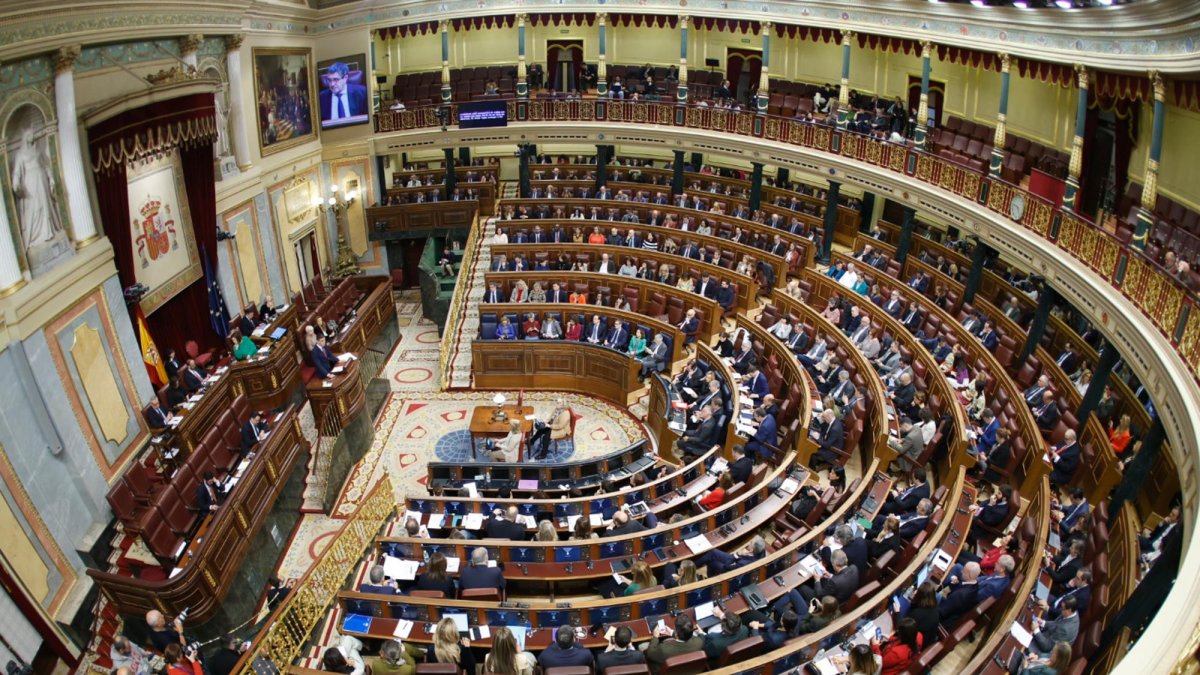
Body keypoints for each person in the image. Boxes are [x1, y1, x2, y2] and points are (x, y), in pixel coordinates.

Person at [906, 581, 941, 646]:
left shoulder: (917, 614)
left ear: (919, 596)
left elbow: (902, 628)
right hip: (926, 642)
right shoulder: (934, 609)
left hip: (915, 644)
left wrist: (897, 612)